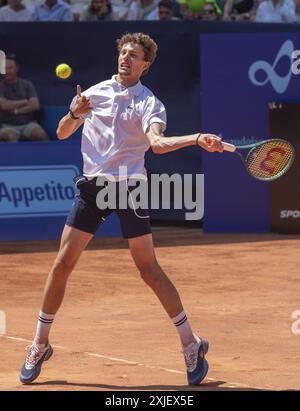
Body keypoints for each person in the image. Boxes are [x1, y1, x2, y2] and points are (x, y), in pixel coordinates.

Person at [19, 32, 223, 386]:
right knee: (62, 263)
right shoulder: (94, 93)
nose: (126, 58)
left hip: (130, 189)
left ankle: (191, 344)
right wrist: (73, 113)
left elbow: (156, 144)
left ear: (146, 64)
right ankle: (39, 344)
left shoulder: (150, 103)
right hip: (93, 188)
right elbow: (63, 131)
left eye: (134, 55)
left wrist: (196, 138)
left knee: (149, 270)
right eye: (123, 53)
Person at [0, 54, 49, 142]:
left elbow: (35, 105)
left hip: (28, 124)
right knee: (12, 136)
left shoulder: (27, 84)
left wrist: (15, 110)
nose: (7, 71)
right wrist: (25, 101)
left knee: (40, 134)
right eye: (4, 68)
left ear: (16, 68)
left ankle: (48, 155)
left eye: (10, 68)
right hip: (6, 126)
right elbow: (4, 106)